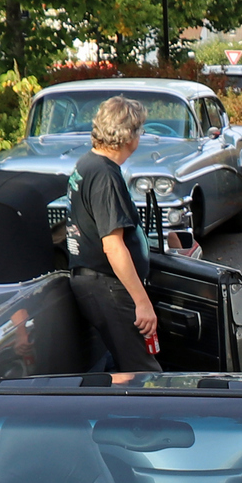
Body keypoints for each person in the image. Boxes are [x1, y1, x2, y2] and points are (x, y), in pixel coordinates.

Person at [65, 95, 161, 374]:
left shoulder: (87, 163)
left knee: (121, 368)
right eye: (139, 130)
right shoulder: (105, 176)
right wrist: (142, 302)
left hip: (94, 283)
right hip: (107, 286)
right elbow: (113, 246)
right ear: (128, 136)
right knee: (143, 373)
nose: (140, 136)